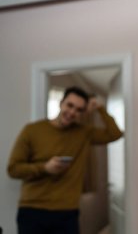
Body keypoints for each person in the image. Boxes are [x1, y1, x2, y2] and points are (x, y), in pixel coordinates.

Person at [7, 86, 123, 234]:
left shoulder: (84, 133)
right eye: (70, 105)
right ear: (61, 103)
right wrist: (45, 168)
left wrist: (100, 108)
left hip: (67, 213)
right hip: (32, 211)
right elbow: (13, 169)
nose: (73, 112)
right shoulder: (32, 130)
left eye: (79, 109)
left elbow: (115, 134)